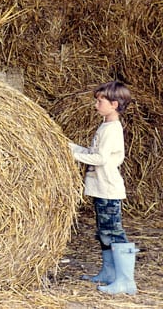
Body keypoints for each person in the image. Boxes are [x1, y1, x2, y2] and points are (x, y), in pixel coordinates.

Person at [68, 80, 137, 295]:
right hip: (100, 188)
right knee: (103, 232)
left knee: (113, 232)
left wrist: (71, 155)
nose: (96, 104)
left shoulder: (113, 129)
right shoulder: (106, 125)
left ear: (114, 104)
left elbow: (99, 158)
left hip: (108, 189)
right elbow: (92, 151)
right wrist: (68, 146)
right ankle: (108, 273)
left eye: (100, 101)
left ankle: (126, 281)